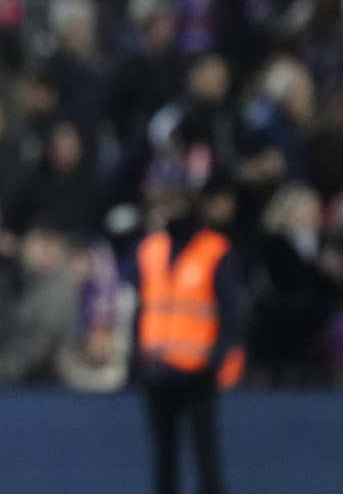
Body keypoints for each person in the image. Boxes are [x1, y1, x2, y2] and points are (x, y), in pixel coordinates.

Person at [126, 181, 243, 494]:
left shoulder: (214, 250)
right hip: (158, 371)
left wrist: (224, 359)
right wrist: (136, 359)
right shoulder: (151, 249)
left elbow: (230, 309)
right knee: (164, 460)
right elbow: (141, 306)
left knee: (206, 458)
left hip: (198, 370)